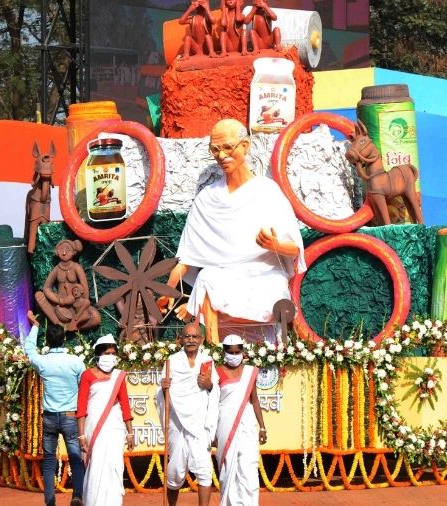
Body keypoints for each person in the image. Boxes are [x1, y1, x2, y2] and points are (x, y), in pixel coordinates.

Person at [158, 118, 306, 343]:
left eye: (228, 147)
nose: (221, 155)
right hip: (226, 276)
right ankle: (214, 351)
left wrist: (274, 245)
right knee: (207, 277)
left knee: (274, 290)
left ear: (245, 146)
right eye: (215, 149)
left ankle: (278, 351)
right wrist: (166, 291)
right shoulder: (207, 198)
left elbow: (294, 249)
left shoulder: (267, 191)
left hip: (264, 274)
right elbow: (187, 258)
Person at [25, 311, 86, 506]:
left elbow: (29, 349)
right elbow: (83, 388)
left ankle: (50, 501)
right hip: (70, 416)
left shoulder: (43, 362)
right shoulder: (75, 361)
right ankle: (77, 496)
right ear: (64, 340)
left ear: (48, 341)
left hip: (50, 417)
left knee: (50, 461)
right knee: (76, 459)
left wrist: (34, 326)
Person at [157, 322, 219, 506]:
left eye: (194, 337)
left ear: (201, 339)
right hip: (177, 423)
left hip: (200, 424)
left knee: (204, 470)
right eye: (187, 336)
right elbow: (160, 394)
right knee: (174, 472)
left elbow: (215, 391)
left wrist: (208, 385)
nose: (191, 340)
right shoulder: (172, 362)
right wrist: (163, 388)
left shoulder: (207, 362)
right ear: (180, 339)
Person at [76, 334, 134, 505]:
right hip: (93, 429)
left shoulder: (119, 376)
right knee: (96, 467)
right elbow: (81, 408)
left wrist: (130, 433)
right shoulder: (87, 375)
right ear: (98, 355)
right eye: (107, 353)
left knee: (113, 466)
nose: (111, 357)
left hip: (114, 429)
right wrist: (81, 435)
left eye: (113, 354)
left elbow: (125, 404)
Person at [215, 334, 267, 505]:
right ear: (224, 351)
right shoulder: (216, 372)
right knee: (227, 468)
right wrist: (213, 432)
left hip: (247, 427)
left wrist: (262, 427)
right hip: (224, 426)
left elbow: (255, 400)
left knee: (248, 468)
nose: (234, 355)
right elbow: (213, 404)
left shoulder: (250, 372)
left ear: (243, 352)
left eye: (238, 352)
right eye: (231, 352)